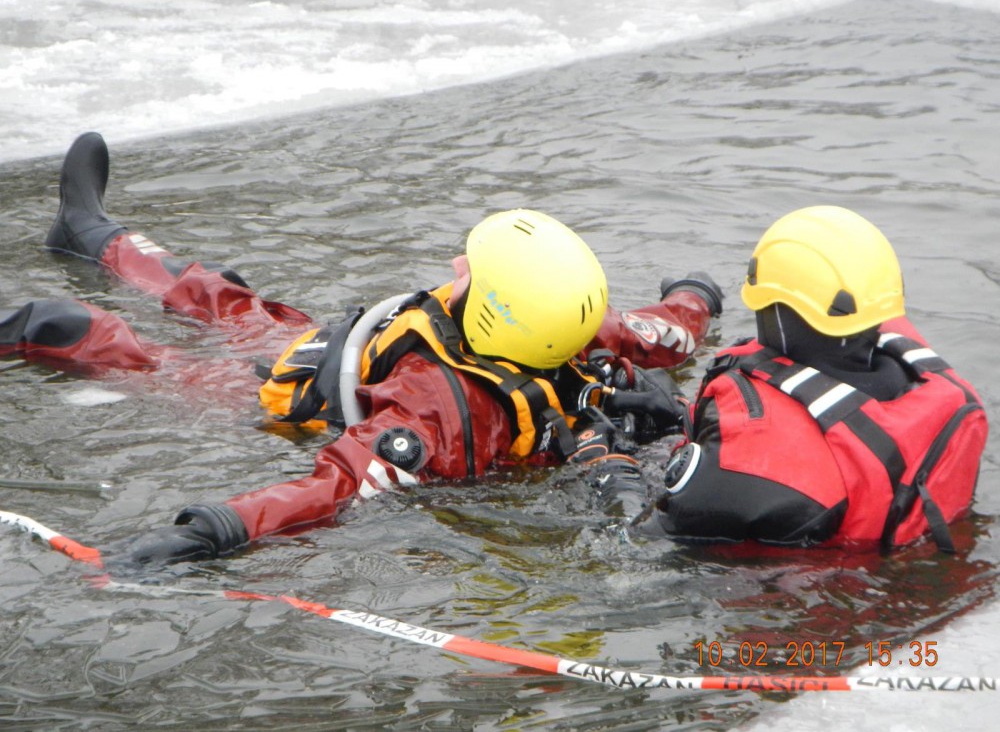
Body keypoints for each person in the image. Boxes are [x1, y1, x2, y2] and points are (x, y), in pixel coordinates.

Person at [0, 132, 724, 567]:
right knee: (221, 295)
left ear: (497, 309)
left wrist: (215, 530)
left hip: (282, 395)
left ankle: (41, 323)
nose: (455, 266)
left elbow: (335, 488)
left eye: (470, 270)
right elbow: (666, 331)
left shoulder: (436, 410)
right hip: (335, 344)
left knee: (137, 356)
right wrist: (698, 295)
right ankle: (91, 234)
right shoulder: (568, 328)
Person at [595, 205, 988, 553]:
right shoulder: (927, 382)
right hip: (915, 566)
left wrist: (610, 468)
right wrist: (680, 416)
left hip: (804, 603)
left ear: (771, 307)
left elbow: (636, 544)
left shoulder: (752, 468)